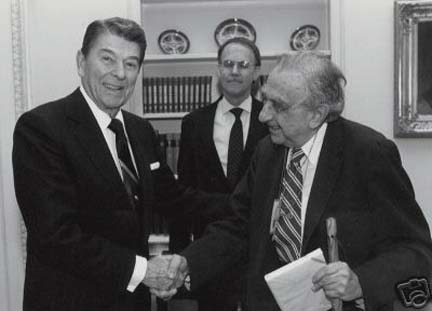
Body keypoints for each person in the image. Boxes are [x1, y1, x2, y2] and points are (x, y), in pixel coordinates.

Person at [166, 52, 432, 311]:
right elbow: (237, 226)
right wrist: (188, 262)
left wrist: (361, 281)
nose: (263, 115)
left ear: (317, 114)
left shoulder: (368, 153)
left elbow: (415, 249)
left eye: (278, 106)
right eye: (265, 100)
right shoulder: (267, 152)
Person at [12, 17, 219, 311]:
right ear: (81, 62)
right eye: (107, 59)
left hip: (131, 302)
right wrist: (144, 271)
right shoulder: (41, 128)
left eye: (131, 64)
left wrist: (252, 203)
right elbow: (56, 235)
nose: (120, 73)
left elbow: (175, 198)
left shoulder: (141, 131)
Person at [169, 37, 268, 311]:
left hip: (260, 252)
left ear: (256, 72)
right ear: (218, 70)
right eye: (228, 64)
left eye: (243, 65)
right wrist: (181, 254)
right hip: (208, 253)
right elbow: (182, 195)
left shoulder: (271, 122)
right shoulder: (194, 123)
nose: (234, 71)